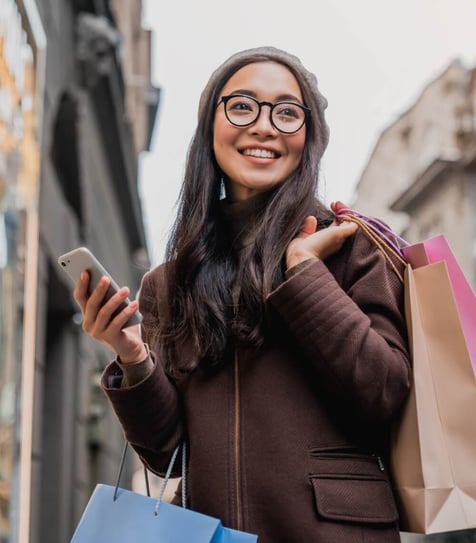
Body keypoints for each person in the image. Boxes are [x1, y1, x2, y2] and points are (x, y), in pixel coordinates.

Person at [73, 46, 411, 543]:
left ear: (309, 138)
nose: (264, 126)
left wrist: (304, 274)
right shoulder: (169, 282)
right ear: (211, 128)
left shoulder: (350, 246)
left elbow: (384, 395)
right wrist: (133, 355)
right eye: (242, 106)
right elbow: (166, 452)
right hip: (212, 533)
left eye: (287, 112)